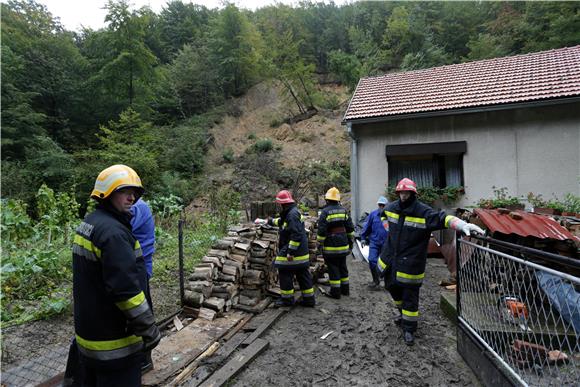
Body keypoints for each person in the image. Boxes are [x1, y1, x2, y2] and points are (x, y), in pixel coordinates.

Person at [72, 164, 160, 386]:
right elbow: (126, 292)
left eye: (135, 193)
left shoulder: (90, 223)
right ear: (107, 193)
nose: (131, 198)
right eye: (124, 191)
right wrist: (149, 328)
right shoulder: (114, 234)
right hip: (115, 345)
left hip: (91, 336)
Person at [376, 178, 484, 346]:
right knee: (392, 288)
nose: (403, 196)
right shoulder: (391, 208)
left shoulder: (423, 212)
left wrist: (462, 224)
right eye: (401, 192)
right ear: (397, 193)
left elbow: (444, 219)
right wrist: (388, 229)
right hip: (390, 261)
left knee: (410, 298)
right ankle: (401, 312)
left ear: (413, 194)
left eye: (407, 193)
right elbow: (382, 215)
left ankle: (409, 329)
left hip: (411, 265)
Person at [255, 190, 315, 307]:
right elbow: (282, 222)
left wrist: (290, 251)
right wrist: (268, 221)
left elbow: (296, 235)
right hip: (302, 252)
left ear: (283, 203)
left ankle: (287, 300)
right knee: (303, 274)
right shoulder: (291, 212)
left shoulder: (291, 215)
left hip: (295, 252)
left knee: (284, 269)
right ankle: (309, 300)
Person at [130, 198, 156, 372]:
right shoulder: (137, 205)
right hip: (135, 266)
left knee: (140, 311)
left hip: (138, 267)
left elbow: (121, 228)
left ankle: (145, 359)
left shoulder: (137, 208)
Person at [316, 187, 355, 299]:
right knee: (343, 267)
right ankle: (345, 290)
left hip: (331, 247)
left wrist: (320, 244)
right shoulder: (343, 210)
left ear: (327, 199)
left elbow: (322, 231)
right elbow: (350, 228)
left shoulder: (325, 212)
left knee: (333, 269)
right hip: (343, 246)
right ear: (338, 199)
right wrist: (350, 242)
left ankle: (336, 293)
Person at [360, 196, 389, 290]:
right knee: (372, 260)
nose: (381, 207)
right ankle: (375, 281)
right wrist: (363, 238)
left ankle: (386, 282)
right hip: (374, 242)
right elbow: (367, 227)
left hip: (386, 244)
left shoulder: (391, 216)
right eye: (380, 205)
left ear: (386, 206)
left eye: (383, 205)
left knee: (386, 263)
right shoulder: (373, 214)